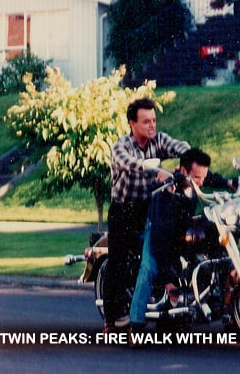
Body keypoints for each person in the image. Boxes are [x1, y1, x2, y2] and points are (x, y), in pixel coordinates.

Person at [103, 97, 190, 334]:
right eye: (145, 121)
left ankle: (170, 306)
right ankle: (110, 322)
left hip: (150, 207)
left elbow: (179, 146)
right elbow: (130, 163)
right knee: (118, 263)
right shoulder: (122, 146)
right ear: (132, 123)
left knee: (167, 249)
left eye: (153, 120)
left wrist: (190, 159)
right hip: (124, 211)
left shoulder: (158, 140)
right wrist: (154, 168)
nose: (151, 126)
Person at [128, 148, 235, 338]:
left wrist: (228, 183)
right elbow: (161, 240)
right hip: (158, 228)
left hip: (180, 228)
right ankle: (135, 326)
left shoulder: (197, 177)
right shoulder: (167, 190)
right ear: (183, 171)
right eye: (196, 177)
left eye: (202, 176)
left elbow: (208, 177)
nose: (201, 182)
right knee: (149, 268)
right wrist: (167, 279)